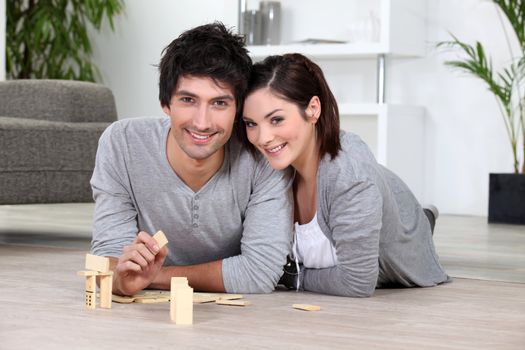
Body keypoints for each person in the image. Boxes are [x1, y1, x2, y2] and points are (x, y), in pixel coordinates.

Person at [90, 23, 293, 296]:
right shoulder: (122, 143)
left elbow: (259, 274)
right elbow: (107, 260)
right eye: (188, 99)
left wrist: (153, 277)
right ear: (166, 103)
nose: (202, 122)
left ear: (238, 110)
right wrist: (121, 280)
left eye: (219, 103)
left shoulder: (262, 156)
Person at [239, 53, 450, 297]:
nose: (262, 138)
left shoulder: (349, 177)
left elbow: (356, 282)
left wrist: (292, 277)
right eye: (251, 124)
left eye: (276, 119)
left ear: (313, 109)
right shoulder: (271, 165)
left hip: (401, 223)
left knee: (405, 223)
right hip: (371, 190)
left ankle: (426, 217)